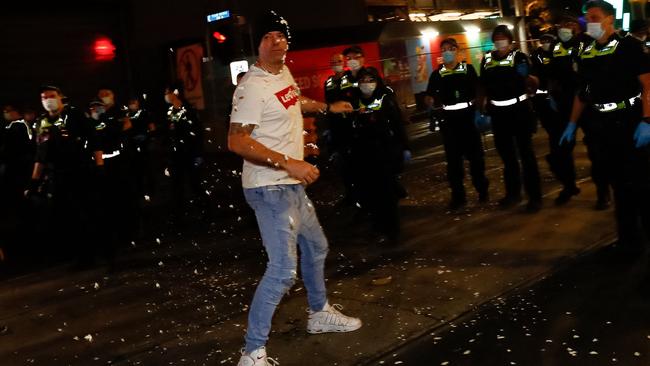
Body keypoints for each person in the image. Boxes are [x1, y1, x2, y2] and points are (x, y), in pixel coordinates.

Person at [228, 10, 362, 366]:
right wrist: (289, 162)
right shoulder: (251, 85)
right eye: (269, 36)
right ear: (257, 44)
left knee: (317, 247)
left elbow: (293, 101)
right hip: (269, 188)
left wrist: (325, 108)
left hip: (290, 185)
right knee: (283, 270)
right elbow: (237, 141)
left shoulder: (282, 72)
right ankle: (252, 353)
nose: (277, 41)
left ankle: (318, 314)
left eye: (281, 35)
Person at [559, 0, 650, 256]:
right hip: (603, 125)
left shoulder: (629, 46)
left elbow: (648, 85)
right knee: (619, 185)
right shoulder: (587, 51)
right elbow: (583, 91)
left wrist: (647, 120)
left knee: (641, 184)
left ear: (610, 19)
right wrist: (571, 123)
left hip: (630, 121)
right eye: (588, 18)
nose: (590, 22)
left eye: (595, 17)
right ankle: (628, 241)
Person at [25, 85, 97, 268]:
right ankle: (75, 254)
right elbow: (40, 155)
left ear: (60, 97)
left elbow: (94, 139)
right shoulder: (42, 122)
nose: (48, 100)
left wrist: (98, 165)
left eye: (52, 96)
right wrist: (34, 181)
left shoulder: (74, 115)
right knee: (66, 215)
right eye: (44, 97)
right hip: (57, 174)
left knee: (85, 212)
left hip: (79, 170)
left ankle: (91, 254)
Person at [479, 25, 543, 212]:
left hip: (519, 111)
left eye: (503, 37)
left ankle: (535, 197)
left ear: (510, 40)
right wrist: (479, 109)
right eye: (497, 38)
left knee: (526, 155)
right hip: (499, 114)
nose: (500, 41)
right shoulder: (487, 60)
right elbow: (482, 85)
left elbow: (534, 82)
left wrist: (528, 77)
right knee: (507, 158)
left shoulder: (519, 57)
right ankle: (513, 194)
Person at [551, 12, 611, 209]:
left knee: (596, 150)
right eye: (561, 24)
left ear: (577, 27)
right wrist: (550, 94)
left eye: (569, 24)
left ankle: (603, 193)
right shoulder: (555, 46)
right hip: (564, 105)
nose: (565, 28)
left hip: (587, 103)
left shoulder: (587, 42)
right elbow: (551, 74)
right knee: (560, 151)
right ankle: (569, 186)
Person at [425, 38, 489, 210]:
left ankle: (482, 190)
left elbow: (478, 91)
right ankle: (458, 197)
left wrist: (479, 111)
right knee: (453, 162)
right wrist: (430, 103)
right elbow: (429, 95)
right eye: (443, 49)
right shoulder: (437, 74)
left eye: (450, 48)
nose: (447, 52)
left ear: (457, 50)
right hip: (449, 121)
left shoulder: (467, 69)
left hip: (468, 118)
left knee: (476, 159)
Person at [350, 66, 410, 239]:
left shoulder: (385, 98)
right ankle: (377, 225)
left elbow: (397, 124)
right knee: (370, 193)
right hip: (363, 154)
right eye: (363, 81)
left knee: (387, 192)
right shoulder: (354, 101)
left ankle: (393, 230)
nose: (366, 84)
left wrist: (405, 147)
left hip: (384, 152)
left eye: (371, 80)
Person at [163, 83, 208, 220]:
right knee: (177, 185)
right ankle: (179, 214)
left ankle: (204, 210)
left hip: (190, 152)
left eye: (168, 92)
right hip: (176, 155)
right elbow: (169, 131)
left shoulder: (188, 109)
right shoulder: (169, 111)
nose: (166, 95)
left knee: (195, 183)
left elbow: (197, 132)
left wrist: (198, 153)